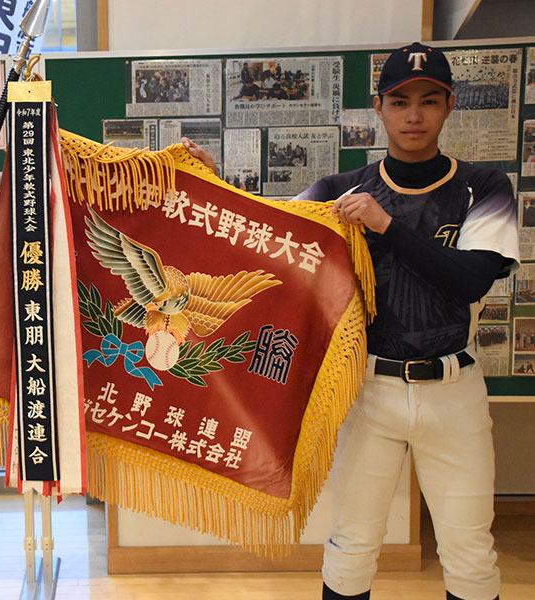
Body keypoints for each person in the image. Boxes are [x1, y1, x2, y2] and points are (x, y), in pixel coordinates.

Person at [185, 43, 519, 600]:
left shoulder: (482, 187)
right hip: (368, 386)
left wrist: (387, 225)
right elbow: (267, 234)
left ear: (449, 106)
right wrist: (212, 186)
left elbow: (471, 280)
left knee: (469, 551)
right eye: (400, 100)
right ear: (379, 107)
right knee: (353, 543)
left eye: (429, 101)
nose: (414, 114)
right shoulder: (341, 191)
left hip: (454, 388)